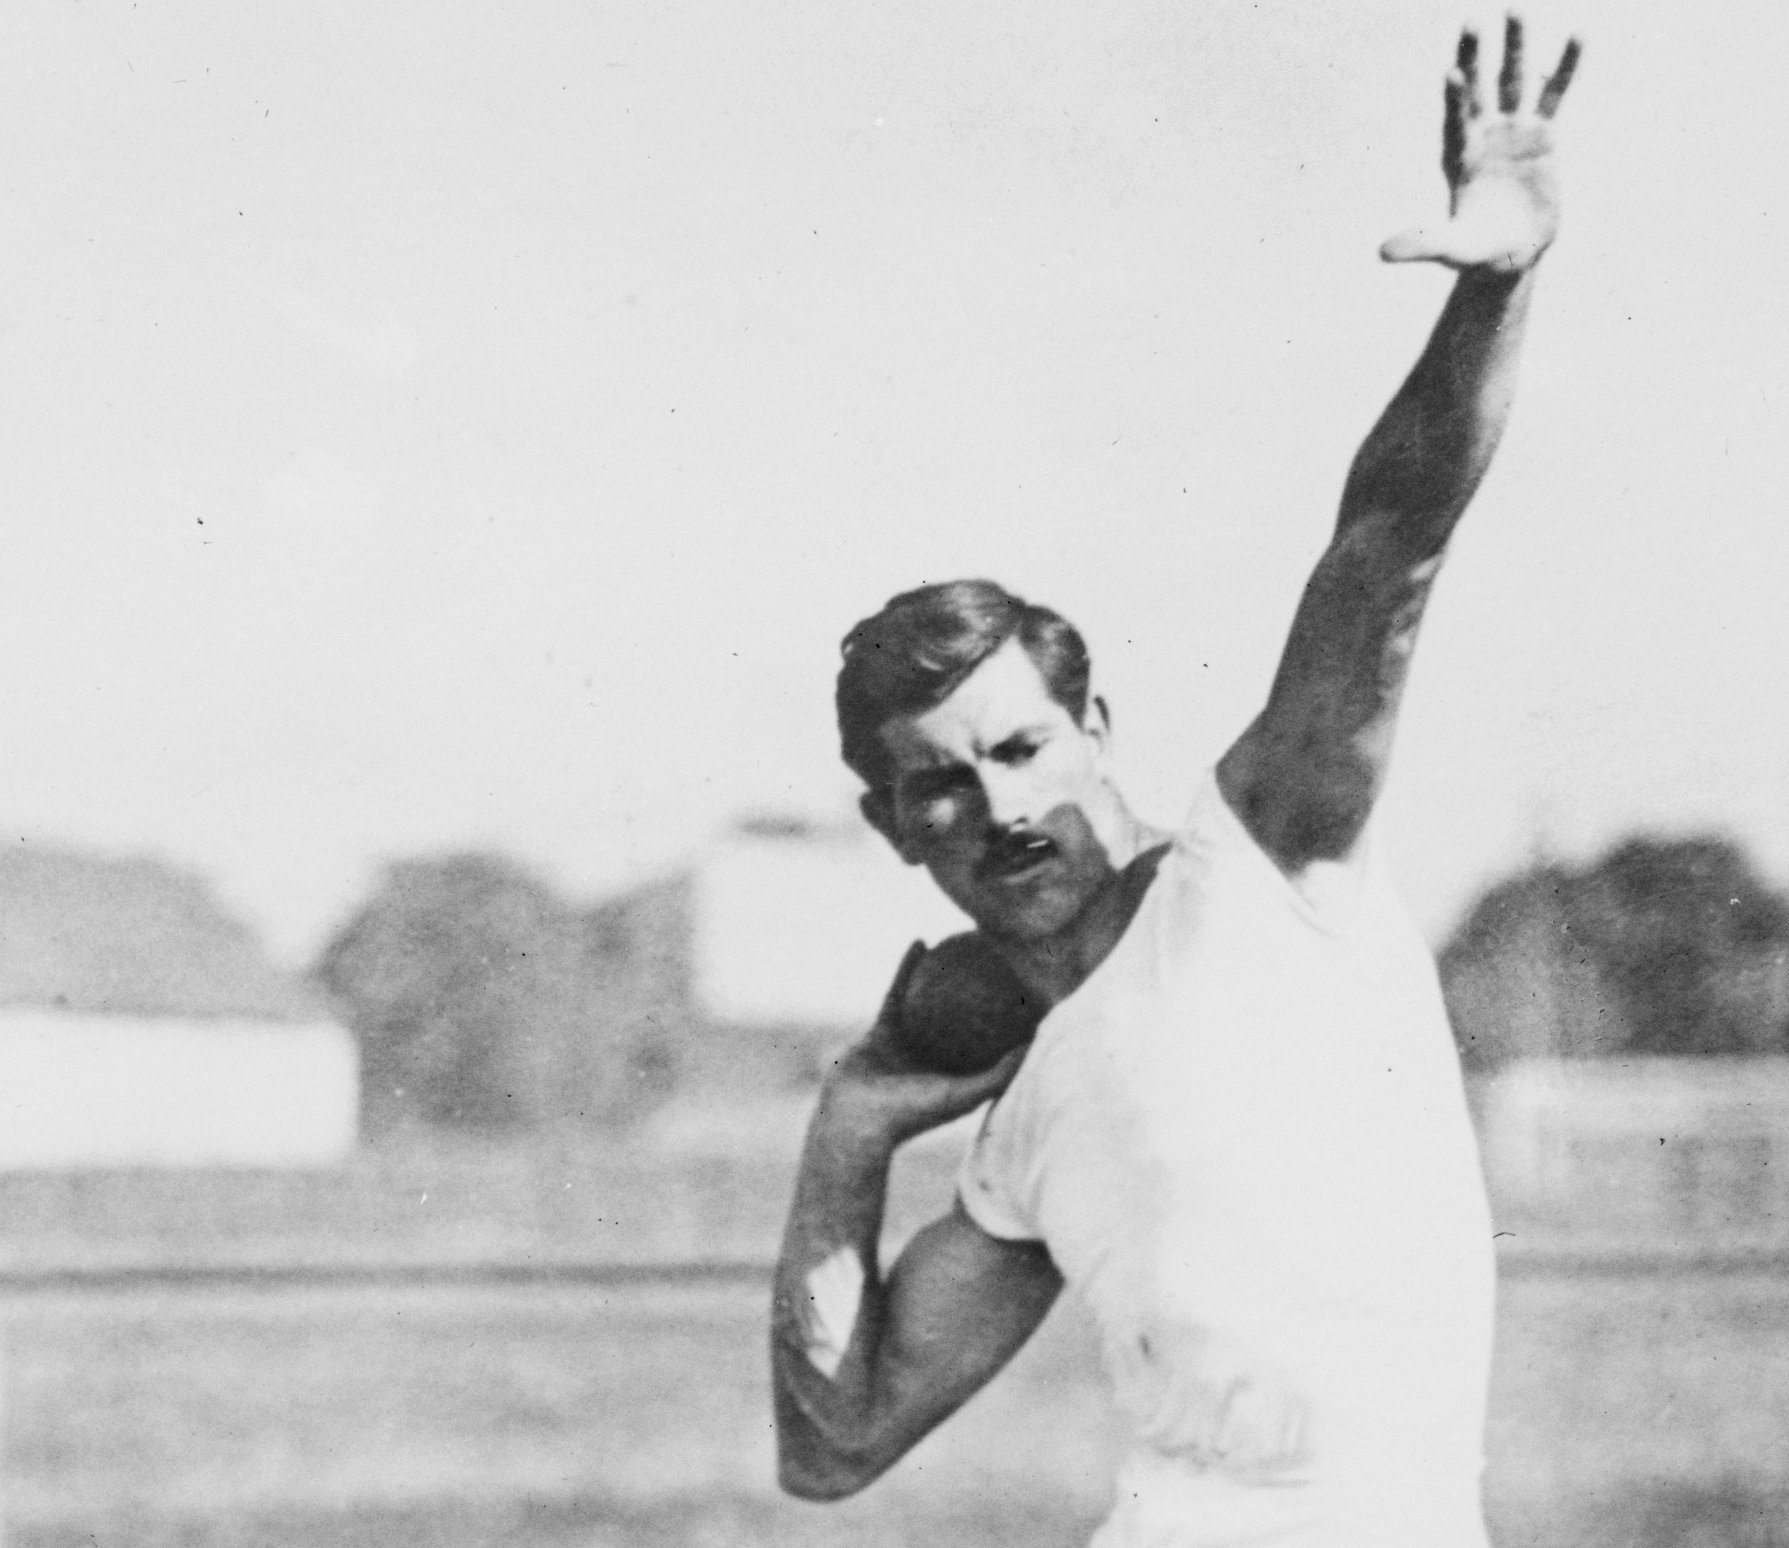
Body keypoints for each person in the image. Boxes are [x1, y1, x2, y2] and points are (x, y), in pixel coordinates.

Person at [770, 20, 1580, 1548]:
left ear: (1095, 730)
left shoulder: (1266, 864)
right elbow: (831, 1444)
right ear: (891, 831)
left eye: (1020, 750)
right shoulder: (1023, 1131)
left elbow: (1389, 542)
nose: (1002, 811)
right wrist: (846, 1136)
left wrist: (1498, 282)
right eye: (939, 789)